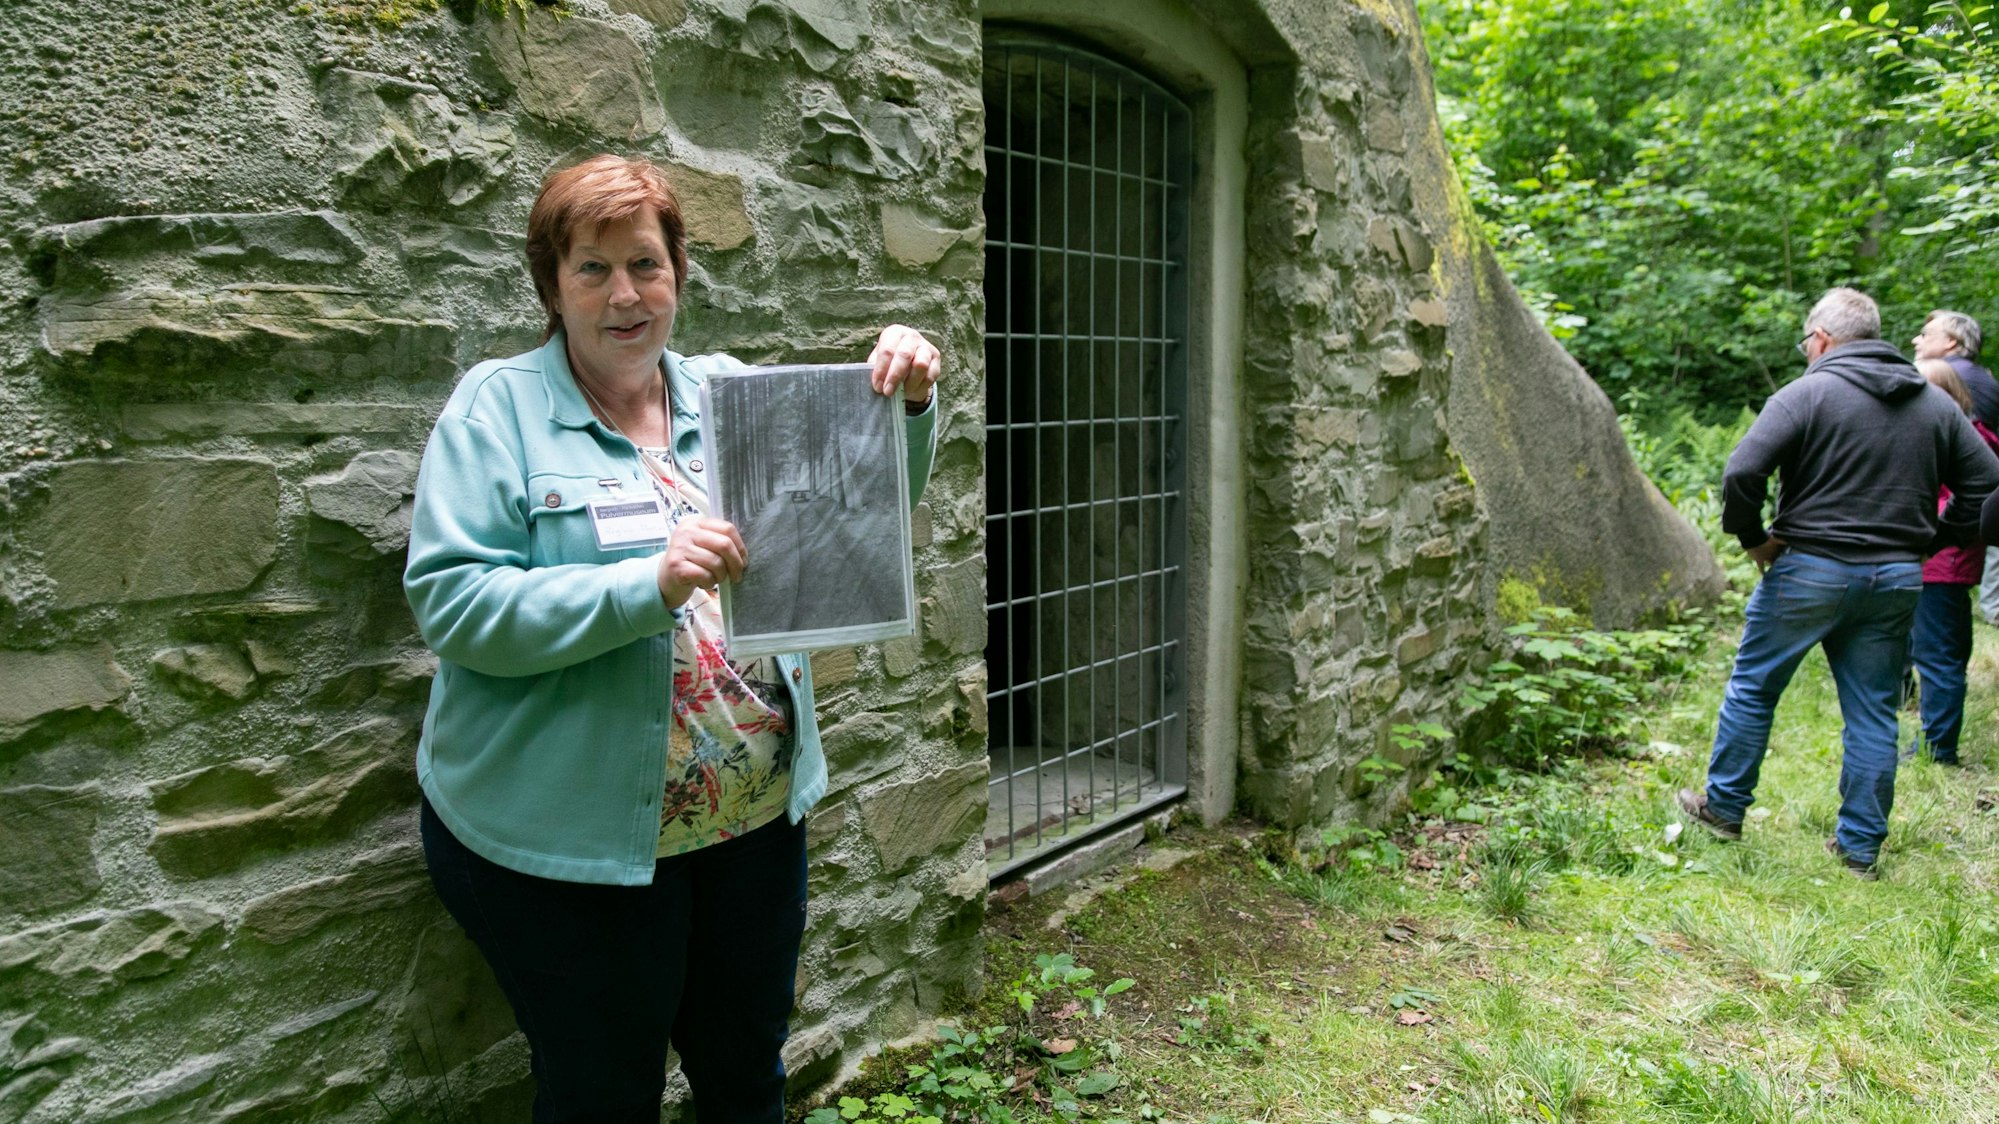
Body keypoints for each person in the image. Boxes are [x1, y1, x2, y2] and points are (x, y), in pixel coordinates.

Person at [403, 154, 942, 1123]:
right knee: (605, 1098)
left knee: (745, 1077)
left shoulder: (728, 392)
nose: (625, 294)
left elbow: (856, 510)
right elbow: (456, 604)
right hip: (571, 846)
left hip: (751, 828)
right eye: (593, 268)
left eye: (645, 264)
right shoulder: (499, 410)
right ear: (551, 285)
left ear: (678, 273)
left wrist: (904, 406)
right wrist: (644, 585)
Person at [1678, 288, 1999, 879]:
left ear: (1822, 339)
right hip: (1897, 577)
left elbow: (1743, 470)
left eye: (1807, 342)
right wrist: (1932, 539)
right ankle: (1859, 850)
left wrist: (1753, 539)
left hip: (1809, 569)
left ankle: (1723, 809)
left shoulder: (1805, 393)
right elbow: (1987, 482)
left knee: (1755, 688)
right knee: (1875, 711)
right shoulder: (1933, 404)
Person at [1905, 359, 1999, 767]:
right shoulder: (1958, 432)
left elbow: (1974, 498)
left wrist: (1929, 532)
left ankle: (1937, 748)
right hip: (1940, 561)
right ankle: (1934, 739)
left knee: (1939, 656)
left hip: (1942, 562)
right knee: (1939, 652)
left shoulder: (1965, 438)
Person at [1912, 309, 1999, 623]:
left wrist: (1940, 537)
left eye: (1926, 334)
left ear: (1951, 342)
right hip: (1959, 534)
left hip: (1944, 538)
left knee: (1937, 631)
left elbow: (1969, 473)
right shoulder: (1979, 377)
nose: (1916, 340)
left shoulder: (1948, 378)